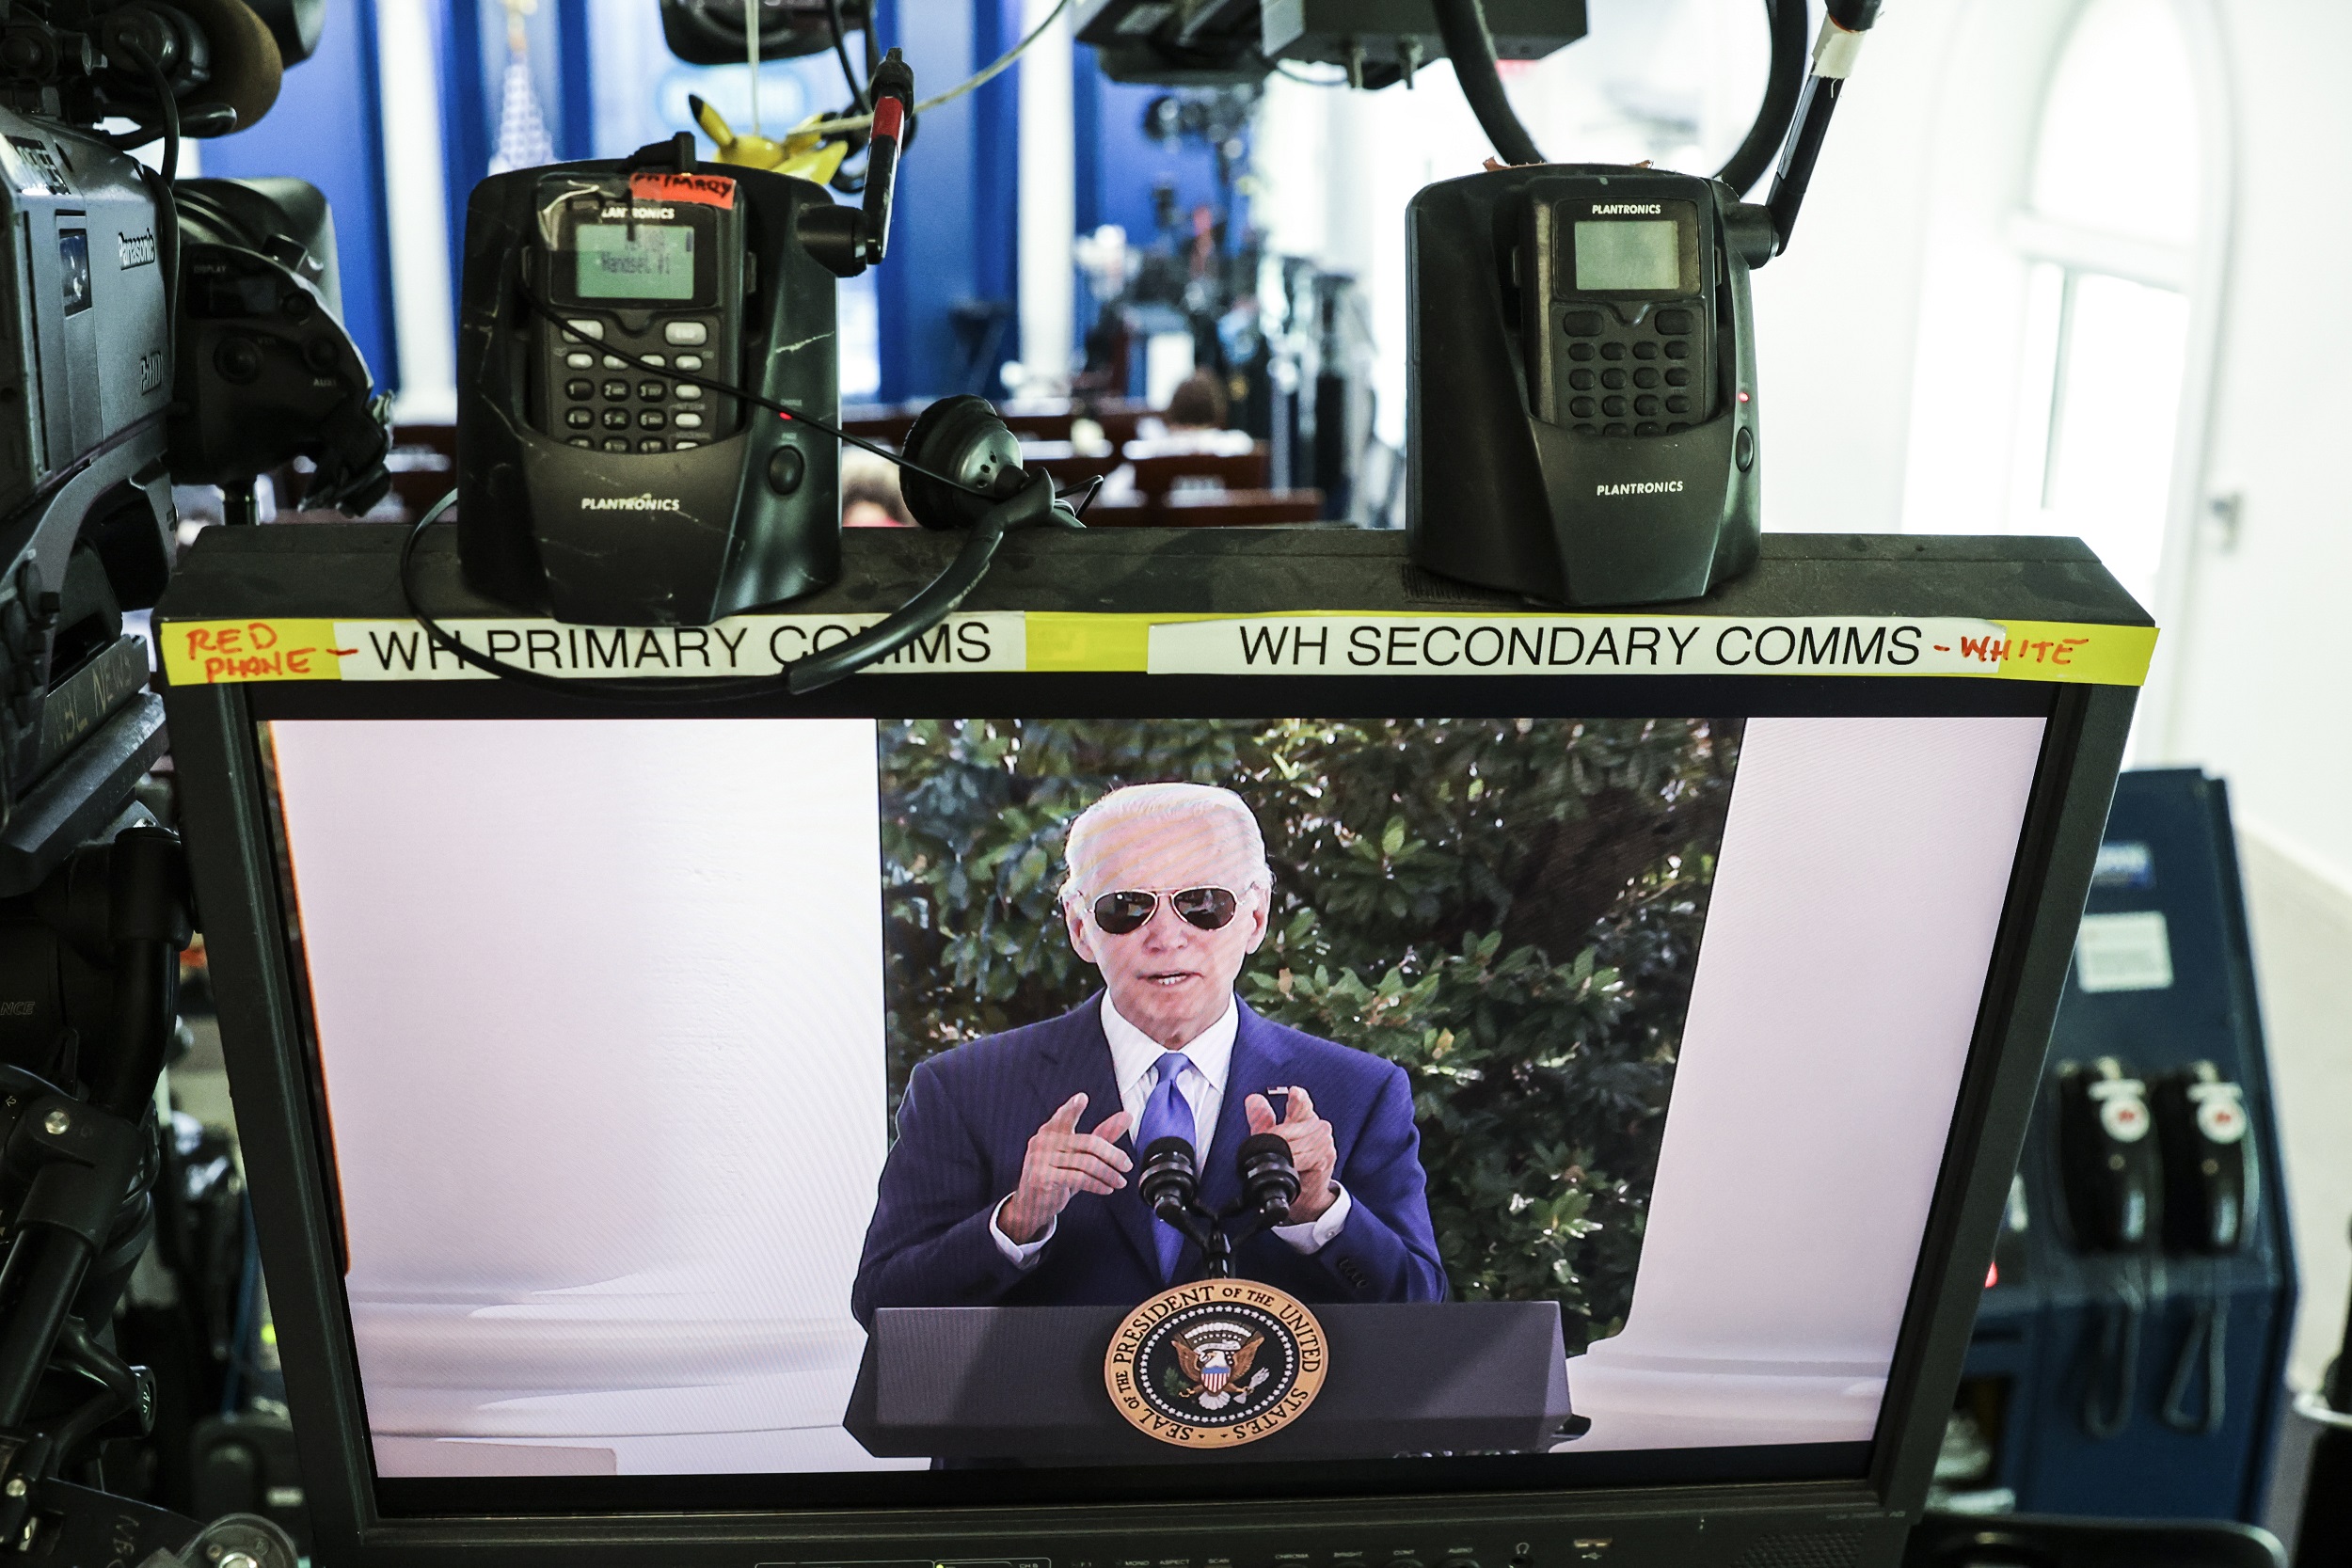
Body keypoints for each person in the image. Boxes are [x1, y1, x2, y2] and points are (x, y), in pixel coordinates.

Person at [850, 783, 1446, 1323]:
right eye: (1127, 908)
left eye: (1203, 903)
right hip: (1044, 1415)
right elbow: (881, 1305)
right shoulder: (964, 1089)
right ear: (1080, 928)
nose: (1166, 936)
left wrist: (1318, 1210)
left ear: (1255, 917)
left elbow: (1420, 1310)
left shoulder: (1359, 1091)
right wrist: (1017, 1221)